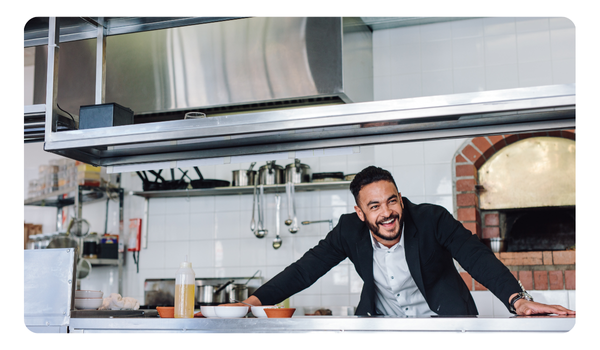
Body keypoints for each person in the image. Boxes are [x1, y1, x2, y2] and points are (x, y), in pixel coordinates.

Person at [240, 166, 575, 317]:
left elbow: (475, 256)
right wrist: (252, 303)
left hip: (444, 326)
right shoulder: (348, 231)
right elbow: (304, 271)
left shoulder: (431, 219)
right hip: (382, 330)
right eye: (374, 207)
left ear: (400, 198)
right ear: (360, 213)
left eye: (392, 201)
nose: (387, 213)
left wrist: (518, 299)